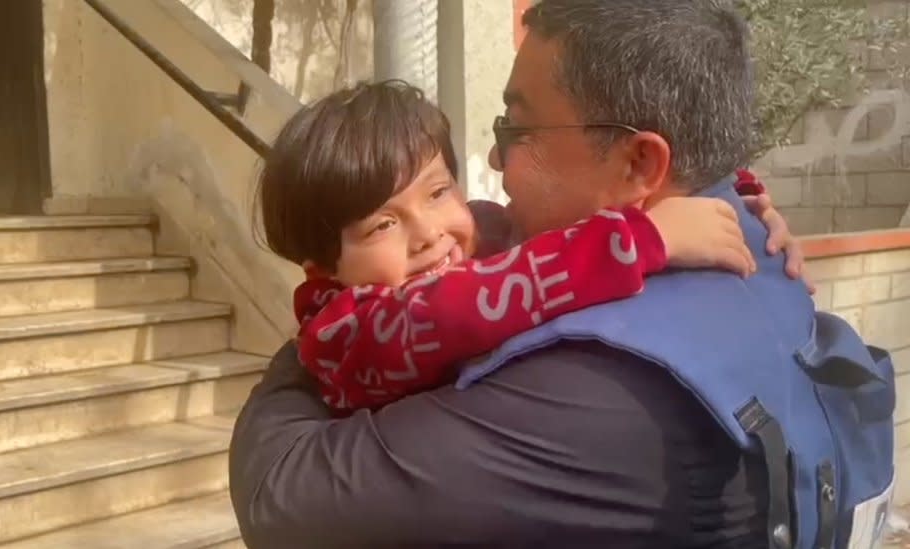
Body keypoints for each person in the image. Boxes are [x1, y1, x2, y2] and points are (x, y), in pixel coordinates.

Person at [230, 2, 895, 548]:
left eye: (516, 129)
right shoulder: (746, 238)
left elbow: (282, 495)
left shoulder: (589, 396)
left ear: (639, 166)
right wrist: (742, 192)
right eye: (381, 222)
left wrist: (316, 329)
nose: (494, 154)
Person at [260, 80, 776, 414]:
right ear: (324, 268)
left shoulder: (477, 239)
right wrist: (643, 240)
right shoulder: (346, 336)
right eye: (381, 226)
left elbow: (564, 227)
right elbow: (455, 311)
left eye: (439, 193)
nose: (428, 233)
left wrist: (736, 200)